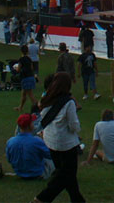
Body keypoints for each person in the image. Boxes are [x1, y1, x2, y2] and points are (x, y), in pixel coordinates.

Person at [33, 73, 85, 203]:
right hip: (66, 143)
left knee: (67, 176)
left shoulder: (47, 98)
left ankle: (78, 200)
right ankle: (41, 199)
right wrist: (77, 129)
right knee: (65, 176)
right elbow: (73, 125)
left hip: (51, 140)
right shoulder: (68, 102)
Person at [6, 113, 54, 179]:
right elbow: (50, 155)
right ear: (30, 125)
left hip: (19, 172)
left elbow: (9, 159)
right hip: (37, 173)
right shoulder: (37, 141)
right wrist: (44, 140)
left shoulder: (10, 141)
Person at [14, 44, 38, 112]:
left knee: (30, 95)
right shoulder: (29, 59)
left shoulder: (21, 59)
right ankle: (20, 107)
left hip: (25, 78)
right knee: (24, 93)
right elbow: (32, 68)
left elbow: (18, 69)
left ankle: (38, 106)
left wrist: (16, 68)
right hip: (31, 77)